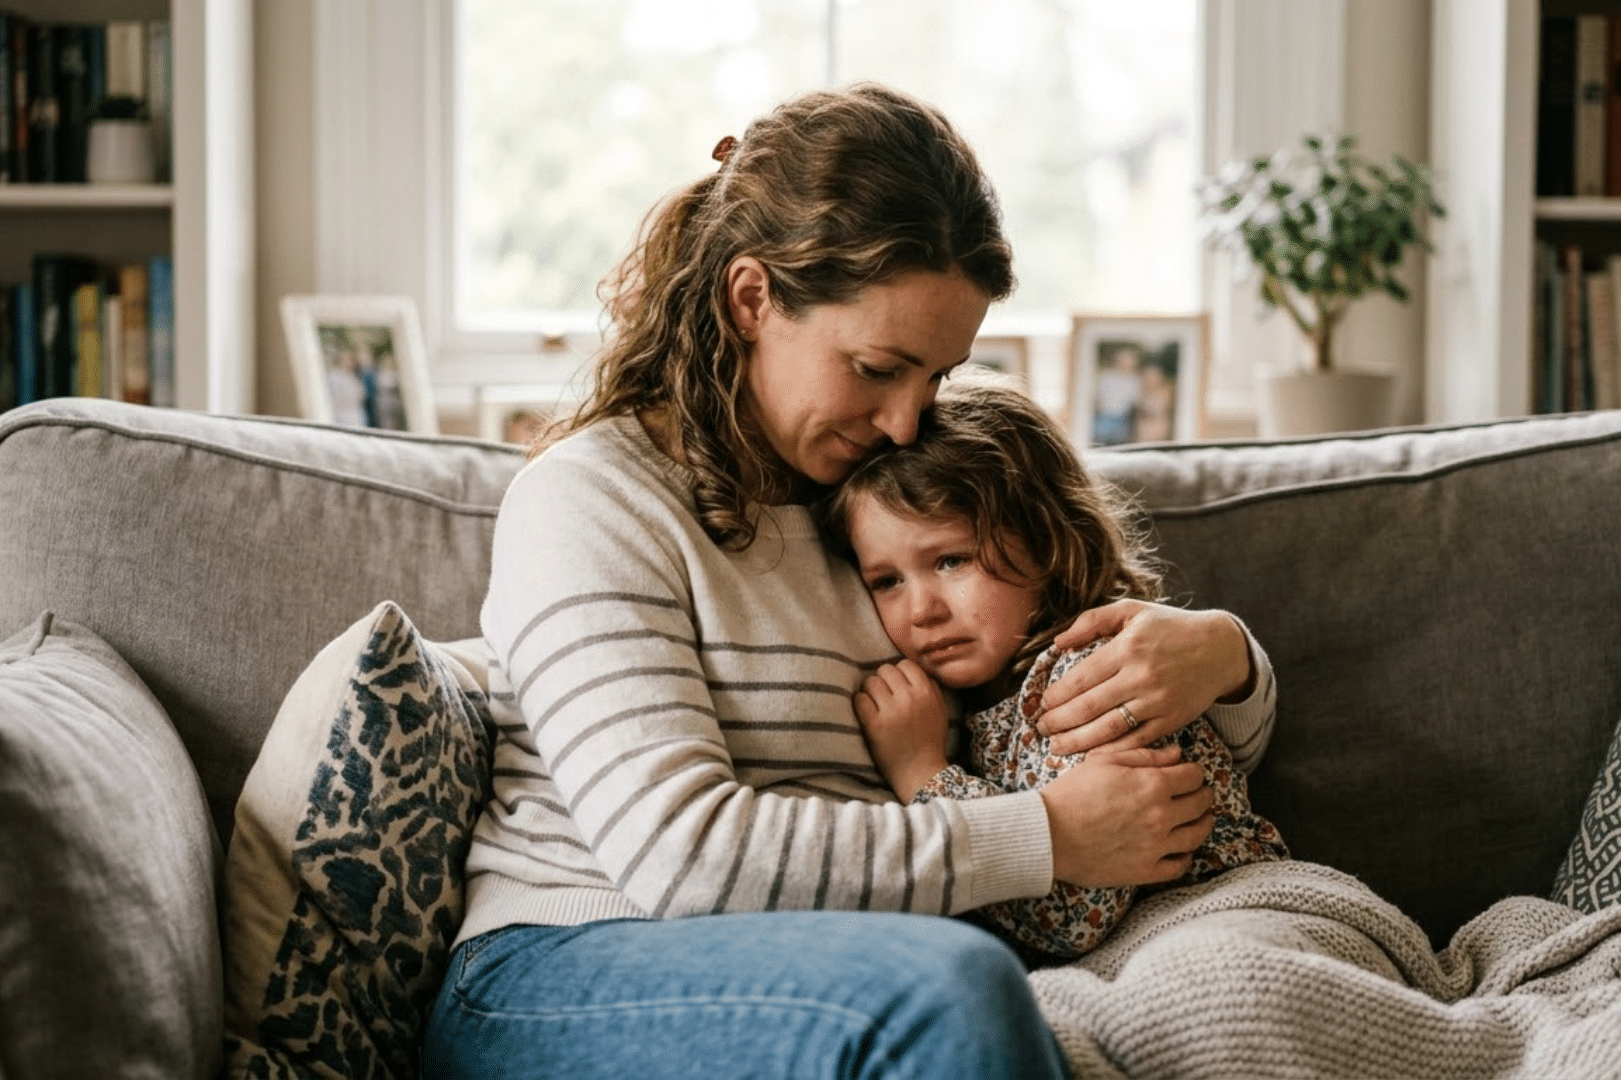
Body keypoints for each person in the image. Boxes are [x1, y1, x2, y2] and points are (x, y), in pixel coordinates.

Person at [423, 82, 1276, 1079]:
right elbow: (683, 859)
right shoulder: (590, 499)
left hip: (855, 956)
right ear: (753, 299)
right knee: (951, 991)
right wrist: (1046, 836)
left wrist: (1224, 656)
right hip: (572, 959)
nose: (910, 420)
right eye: (879, 367)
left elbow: (1091, 719)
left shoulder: (882, 517)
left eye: (938, 379)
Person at [821, 379, 1289, 964]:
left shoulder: (1084, 679)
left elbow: (1072, 918)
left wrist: (923, 774)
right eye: (887, 581)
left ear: (1047, 541)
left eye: (950, 560)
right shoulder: (982, 699)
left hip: (1230, 919)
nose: (922, 611)